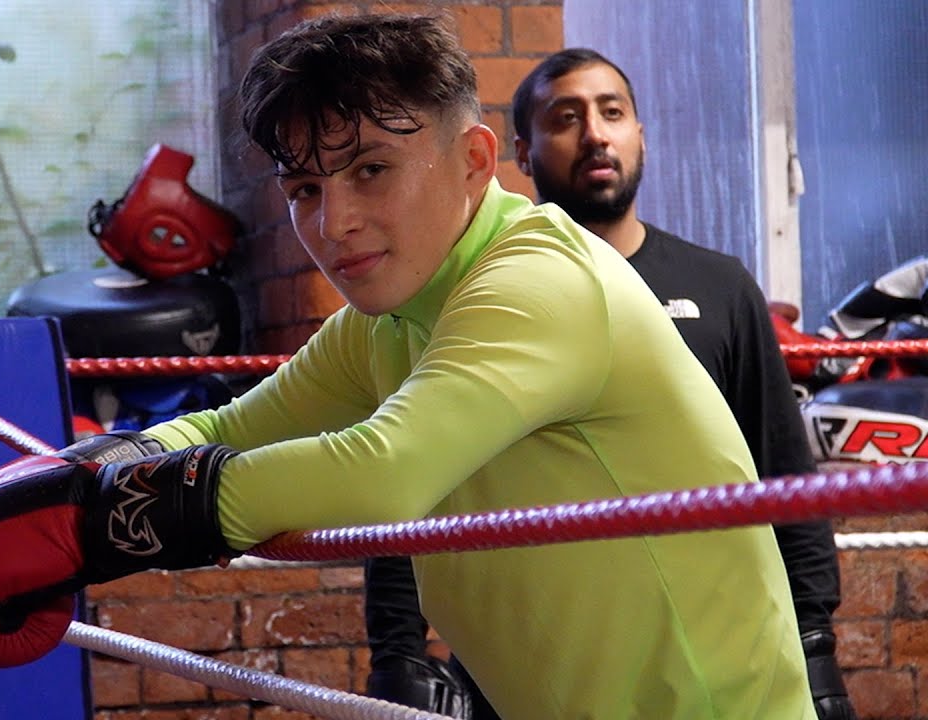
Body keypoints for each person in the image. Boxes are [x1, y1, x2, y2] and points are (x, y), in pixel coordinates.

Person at [0, 15, 819, 719]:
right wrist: (74, 474)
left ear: (473, 161)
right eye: (306, 188)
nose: (333, 221)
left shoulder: (537, 281)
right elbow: (230, 427)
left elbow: (386, 469)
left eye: (371, 170)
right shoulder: (392, 318)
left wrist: (97, 528)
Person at [363, 47, 856, 720]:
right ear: (521, 153)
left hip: (705, 666)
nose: (595, 134)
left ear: (640, 134)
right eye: (565, 118)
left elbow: (782, 475)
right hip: (526, 666)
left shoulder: (718, 286)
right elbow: (408, 480)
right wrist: (398, 656)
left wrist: (815, 642)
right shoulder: (466, 299)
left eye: (613, 112)